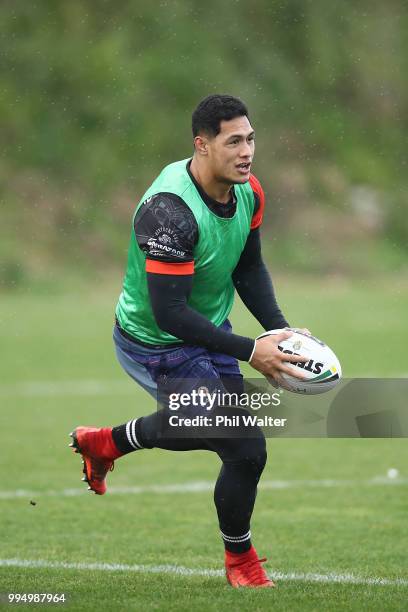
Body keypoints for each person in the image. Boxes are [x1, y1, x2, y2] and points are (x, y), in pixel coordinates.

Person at [69, 94, 308, 588]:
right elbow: (170, 313)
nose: (247, 152)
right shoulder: (168, 212)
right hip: (154, 341)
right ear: (201, 145)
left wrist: (276, 328)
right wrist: (250, 351)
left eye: (251, 139)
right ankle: (241, 560)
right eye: (234, 141)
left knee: (230, 436)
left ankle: (108, 443)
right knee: (245, 447)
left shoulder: (249, 191)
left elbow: (247, 265)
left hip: (207, 330)